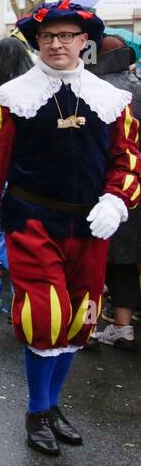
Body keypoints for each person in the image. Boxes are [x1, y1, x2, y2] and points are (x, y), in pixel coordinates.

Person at [0, 0, 140, 456]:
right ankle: (36, 409)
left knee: (80, 318)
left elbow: (128, 161)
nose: (57, 44)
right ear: (36, 42)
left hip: (89, 225)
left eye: (66, 36)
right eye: (48, 37)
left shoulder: (111, 99)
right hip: (33, 221)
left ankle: (54, 405)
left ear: (85, 43)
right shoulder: (11, 96)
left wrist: (116, 199)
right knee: (46, 315)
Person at [89, 35, 141, 351]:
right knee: (124, 261)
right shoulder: (137, 86)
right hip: (134, 188)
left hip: (101, 185)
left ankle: (89, 326)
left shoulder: (94, 90)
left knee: (92, 260)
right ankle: (122, 326)